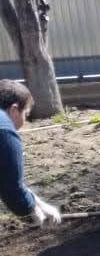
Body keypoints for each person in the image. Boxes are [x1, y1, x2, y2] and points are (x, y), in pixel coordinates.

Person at [0, 79, 62, 226]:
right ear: (14, 110)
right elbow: (12, 190)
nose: (25, 122)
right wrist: (32, 210)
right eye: (26, 114)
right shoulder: (4, 131)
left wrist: (39, 204)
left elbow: (6, 178)